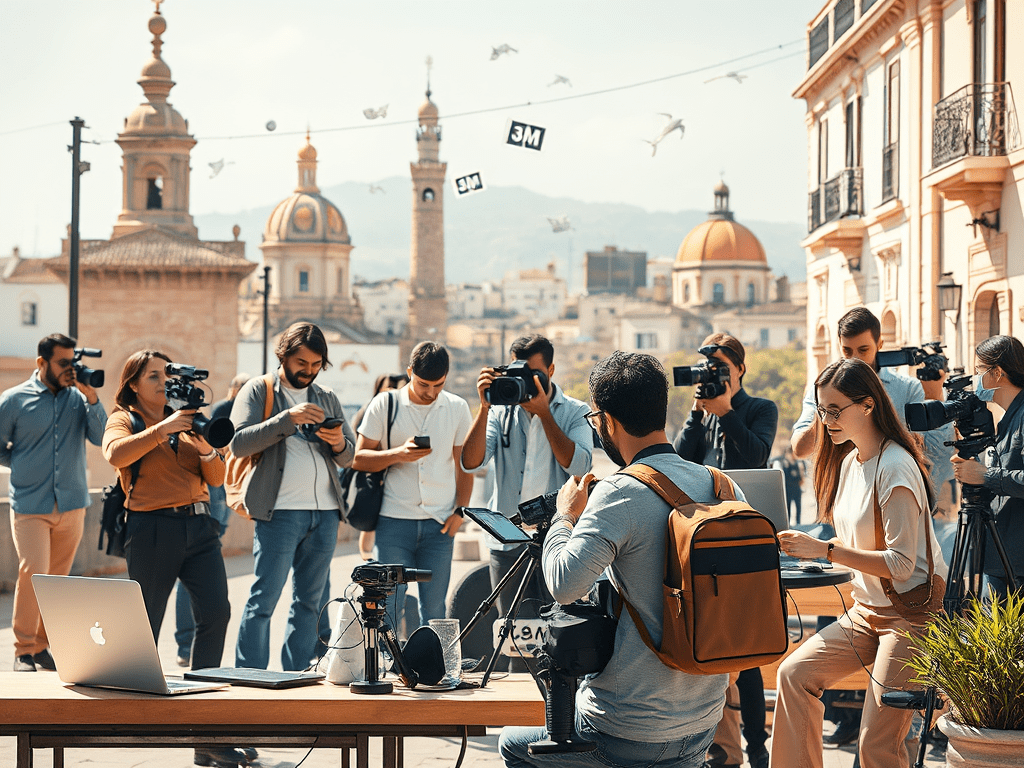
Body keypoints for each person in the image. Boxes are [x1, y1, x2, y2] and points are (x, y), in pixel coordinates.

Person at [499, 351, 733, 768]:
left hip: (625, 729)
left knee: (512, 745)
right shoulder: (720, 485)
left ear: (607, 420)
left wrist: (565, 517)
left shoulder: (618, 493)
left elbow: (564, 584)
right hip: (702, 721)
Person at [773, 358, 947, 768]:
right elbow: (854, 544)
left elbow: (903, 565)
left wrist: (824, 551)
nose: (826, 420)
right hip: (865, 613)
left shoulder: (896, 467)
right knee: (793, 675)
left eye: (835, 411)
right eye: (821, 410)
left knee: (875, 746)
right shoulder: (851, 461)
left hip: (911, 616)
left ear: (867, 405)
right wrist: (813, 552)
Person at [102, 350, 239, 768]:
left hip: (200, 527)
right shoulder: (125, 418)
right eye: (154, 376)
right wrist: (163, 429)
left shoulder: (188, 418)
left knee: (216, 614)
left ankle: (204, 733)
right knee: (147, 628)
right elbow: (115, 455)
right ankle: (130, 725)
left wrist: (207, 450)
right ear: (133, 384)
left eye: (167, 375)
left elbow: (216, 479)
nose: (163, 383)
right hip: (152, 530)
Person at [672, 333, 776, 768]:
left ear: (740, 369)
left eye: (720, 367)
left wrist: (727, 411)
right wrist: (698, 414)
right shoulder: (704, 414)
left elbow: (756, 456)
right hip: (704, 542)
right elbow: (677, 461)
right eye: (707, 368)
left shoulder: (759, 409)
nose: (713, 374)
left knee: (746, 653)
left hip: (742, 539)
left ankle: (756, 751)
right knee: (713, 644)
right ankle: (716, 748)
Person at [461, 335, 593, 670]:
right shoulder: (501, 412)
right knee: (514, 639)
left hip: (559, 541)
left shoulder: (574, 411)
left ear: (550, 369)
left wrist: (545, 415)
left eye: (534, 375)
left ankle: (558, 713)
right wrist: (486, 406)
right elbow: (470, 461)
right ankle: (518, 711)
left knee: (561, 635)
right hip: (508, 540)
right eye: (518, 374)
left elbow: (579, 468)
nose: (525, 384)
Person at [232, 323, 355, 671]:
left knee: (310, 603)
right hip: (280, 512)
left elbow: (349, 456)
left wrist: (337, 443)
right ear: (283, 356)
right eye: (302, 362)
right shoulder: (259, 390)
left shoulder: (326, 396)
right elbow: (238, 443)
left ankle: (297, 677)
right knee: (263, 601)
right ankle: (251, 678)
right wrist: (288, 419)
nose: (309, 371)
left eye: (317, 364)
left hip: (326, 513)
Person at [0, 333, 107, 672]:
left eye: (72, 363)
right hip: (31, 504)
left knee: (58, 580)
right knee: (33, 573)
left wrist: (92, 398)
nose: (70, 370)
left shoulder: (78, 399)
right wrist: (22, 466)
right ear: (41, 363)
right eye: (63, 363)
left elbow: (101, 437)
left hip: (72, 504)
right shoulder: (14, 400)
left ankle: (44, 646)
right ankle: (23, 649)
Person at [352, 341, 472, 633]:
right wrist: (398, 455)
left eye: (438, 385)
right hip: (394, 522)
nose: (430, 392)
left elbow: (464, 466)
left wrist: (461, 512)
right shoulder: (385, 404)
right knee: (391, 604)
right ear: (409, 372)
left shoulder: (457, 407)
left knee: (435, 608)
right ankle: (390, 667)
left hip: (440, 524)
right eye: (423, 384)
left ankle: (432, 670)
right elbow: (359, 458)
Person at [174, 372, 250, 668]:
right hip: (213, 494)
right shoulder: (221, 411)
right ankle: (183, 643)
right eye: (243, 390)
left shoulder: (246, 412)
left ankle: (193, 651)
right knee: (192, 570)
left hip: (223, 489)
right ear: (234, 390)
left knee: (205, 582)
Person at [950, 334, 1024, 599]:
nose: (976, 378)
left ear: (998, 372)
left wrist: (986, 476)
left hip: (1016, 564)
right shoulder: (1007, 417)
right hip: (1001, 555)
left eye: (979, 370)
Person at [773, 446, 805, 525]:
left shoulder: (799, 463)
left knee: (798, 508)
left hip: (797, 488)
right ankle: (788, 524)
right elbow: (785, 477)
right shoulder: (785, 464)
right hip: (788, 489)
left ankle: (798, 523)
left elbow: (801, 478)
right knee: (788, 508)